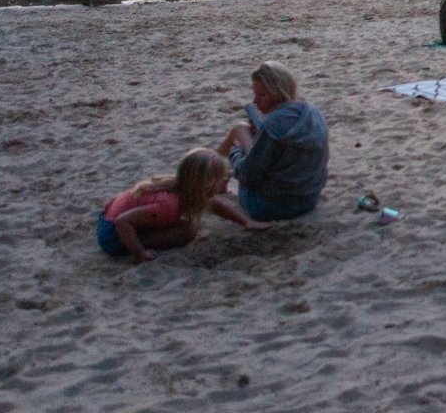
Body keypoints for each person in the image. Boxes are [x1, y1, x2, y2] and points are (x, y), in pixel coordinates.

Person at [96, 148, 268, 263]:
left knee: (185, 224)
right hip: (112, 233)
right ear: (207, 184)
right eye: (222, 179)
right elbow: (122, 222)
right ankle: (138, 246)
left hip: (115, 214)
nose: (226, 181)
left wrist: (246, 222)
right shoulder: (169, 206)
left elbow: (216, 204)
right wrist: (140, 253)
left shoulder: (184, 188)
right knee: (186, 231)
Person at [215, 62, 328, 222]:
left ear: (278, 92)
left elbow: (248, 174)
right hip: (309, 198)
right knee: (244, 131)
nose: (255, 101)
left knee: (239, 130)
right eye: (255, 94)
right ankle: (211, 169)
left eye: (262, 95)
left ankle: (207, 169)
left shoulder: (272, 125)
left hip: (270, 207)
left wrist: (237, 151)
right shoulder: (313, 112)